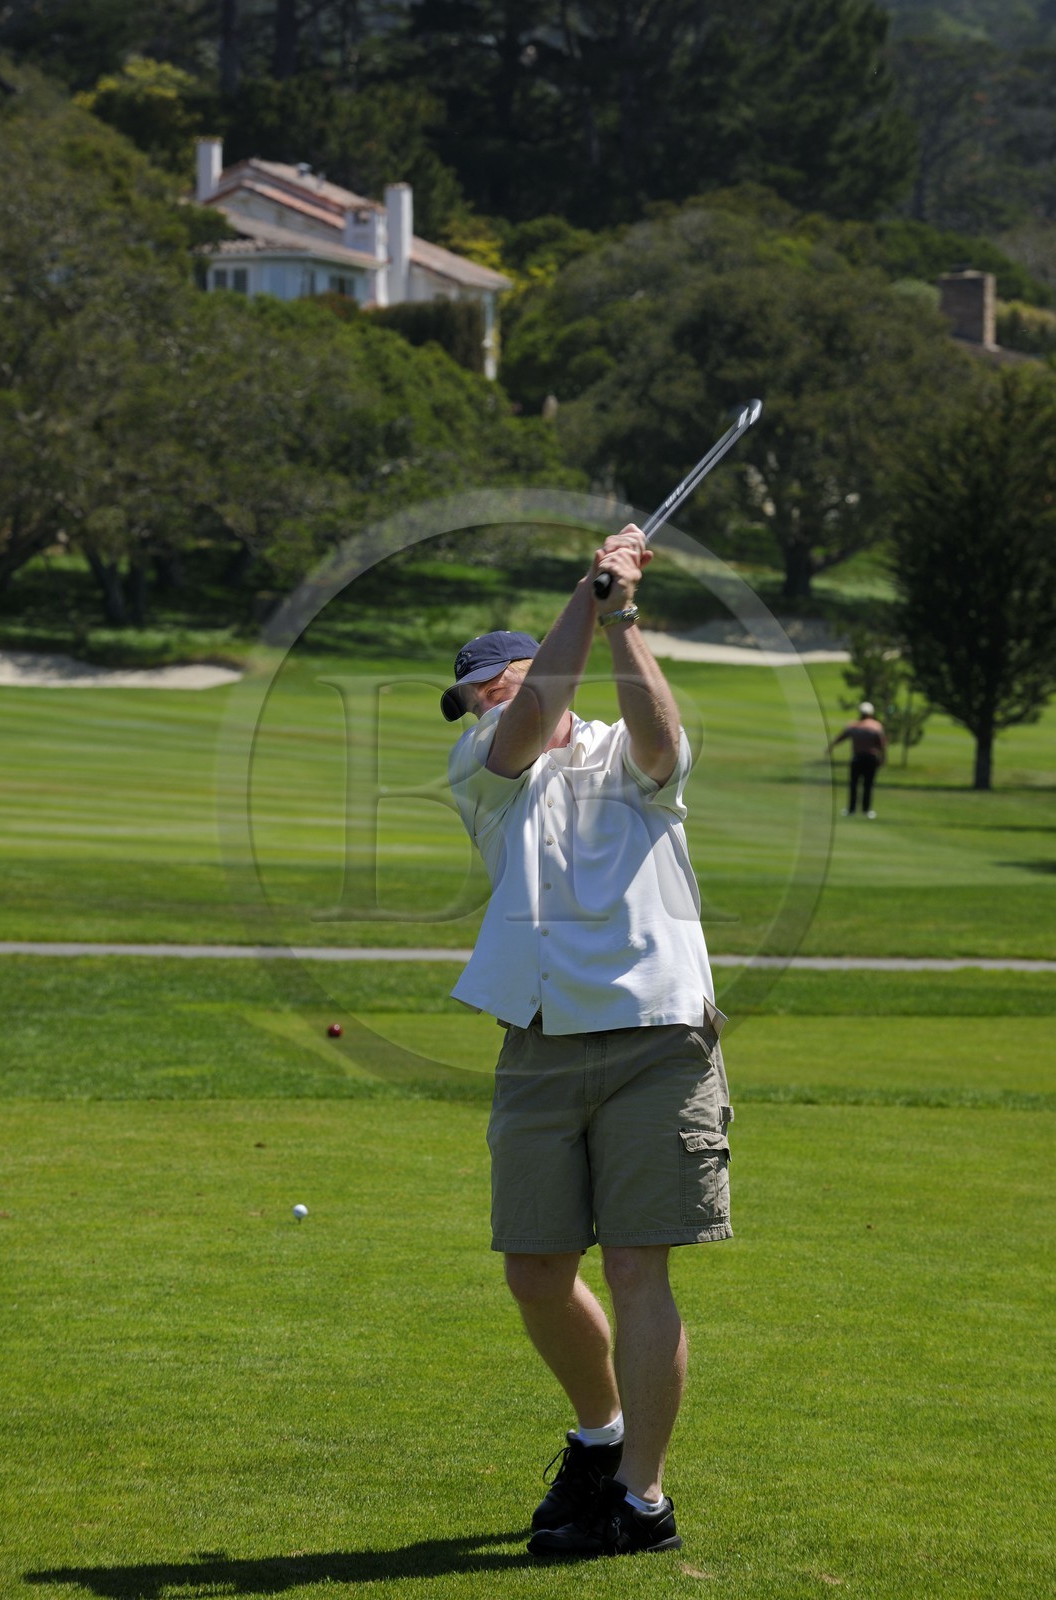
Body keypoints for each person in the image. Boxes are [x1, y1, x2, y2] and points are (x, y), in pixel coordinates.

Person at [441, 525, 732, 1561]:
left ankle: (640, 1500)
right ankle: (600, 1438)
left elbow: (661, 738)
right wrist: (588, 593)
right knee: (532, 1270)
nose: (482, 700)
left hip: (659, 1035)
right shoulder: (487, 764)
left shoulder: (627, 749)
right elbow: (527, 722)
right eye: (472, 692)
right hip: (540, 1037)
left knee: (639, 1269)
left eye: (494, 680)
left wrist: (625, 615)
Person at [828, 701, 887, 818]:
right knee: (867, 785)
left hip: (858, 758)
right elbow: (882, 745)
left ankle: (852, 809)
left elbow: (841, 737)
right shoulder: (876, 726)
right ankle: (865, 810)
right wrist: (883, 757)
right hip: (871, 758)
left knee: (855, 784)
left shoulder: (853, 725)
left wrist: (831, 747)